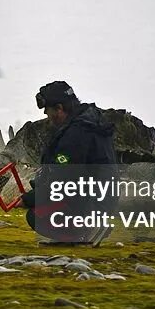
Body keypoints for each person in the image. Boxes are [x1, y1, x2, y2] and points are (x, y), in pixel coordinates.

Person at [21, 81, 117, 240]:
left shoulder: (76, 134)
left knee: (36, 216)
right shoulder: (89, 122)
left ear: (59, 108)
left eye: (48, 110)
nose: (46, 115)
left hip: (91, 202)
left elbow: (64, 180)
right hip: (100, 197)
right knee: (41, 191)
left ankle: (85, 231)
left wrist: (29, 199)